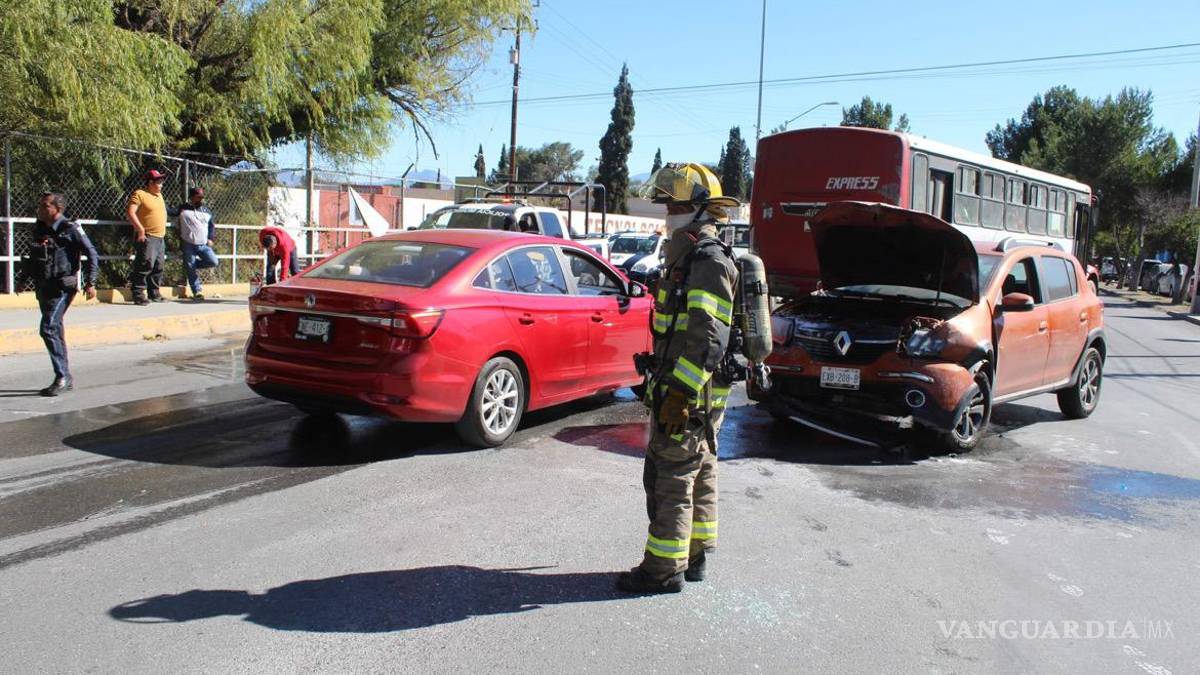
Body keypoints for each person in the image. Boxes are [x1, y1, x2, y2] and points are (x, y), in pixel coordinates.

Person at [617, 163, 740, 594]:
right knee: (698, 468)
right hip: (695, 389)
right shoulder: (691, 255)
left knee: (670, 475)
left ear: (702, 209)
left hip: (691, 391)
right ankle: (695, 555)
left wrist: (681, 395)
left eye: (675, 206)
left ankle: (662, 570)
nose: (668, 213)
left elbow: (708, 338)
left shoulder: (706, 261)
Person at [27, 192, 98, 396]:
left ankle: (62, 376)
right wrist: (24, 278)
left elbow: (92, 253)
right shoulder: (40, 228)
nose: (40, 209)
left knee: (48, 328)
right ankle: (65, 376)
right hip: (44, 285)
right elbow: (34, 256)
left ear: (57, 209)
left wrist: (91, 282)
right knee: (55, 329)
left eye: (45, 206)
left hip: (63, 287)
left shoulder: (71, 228)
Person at [126, 169, 169, 305]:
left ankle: (154, 292)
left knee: (158, 266)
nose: (161, 184)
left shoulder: (159, 196)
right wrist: (140, 230)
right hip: (148, 237)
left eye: (161, 181)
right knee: (145, 265)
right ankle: (138, 294)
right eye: (159, 182)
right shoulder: (140, 194)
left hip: (160, 237)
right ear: (150, 182)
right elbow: (130, 212)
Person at [177, 187, 219, 301]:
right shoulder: (183, 208)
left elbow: (211, 226)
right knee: (190, 267)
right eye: (198, 197)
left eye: (202, 197)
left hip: (203, 244)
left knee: (213, 261)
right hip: (188, 243)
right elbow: (171, 212)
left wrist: (211, 238)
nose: (201, 199)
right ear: (192, 197)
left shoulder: (206, 211)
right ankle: (197, 291)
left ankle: (191, 265)